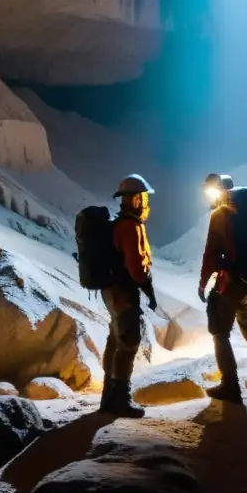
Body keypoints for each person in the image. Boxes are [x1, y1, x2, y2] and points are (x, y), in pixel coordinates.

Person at [199, 173, 247, 402]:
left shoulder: (220, 215)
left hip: (230, 282)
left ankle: (230, 386)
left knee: (220, 333)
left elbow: (211, 252)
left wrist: (203, 283)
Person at [100, 174, 159, 417]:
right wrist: (147, 284)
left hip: (112, 292)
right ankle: (119, 400)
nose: (146, 203)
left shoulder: (117, 224)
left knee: (115, 340)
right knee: (128, 343)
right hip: (123, 293)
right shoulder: (130, 227)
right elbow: (136, 271)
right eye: (143, 198)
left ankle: (108, 397)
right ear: (134, 199)